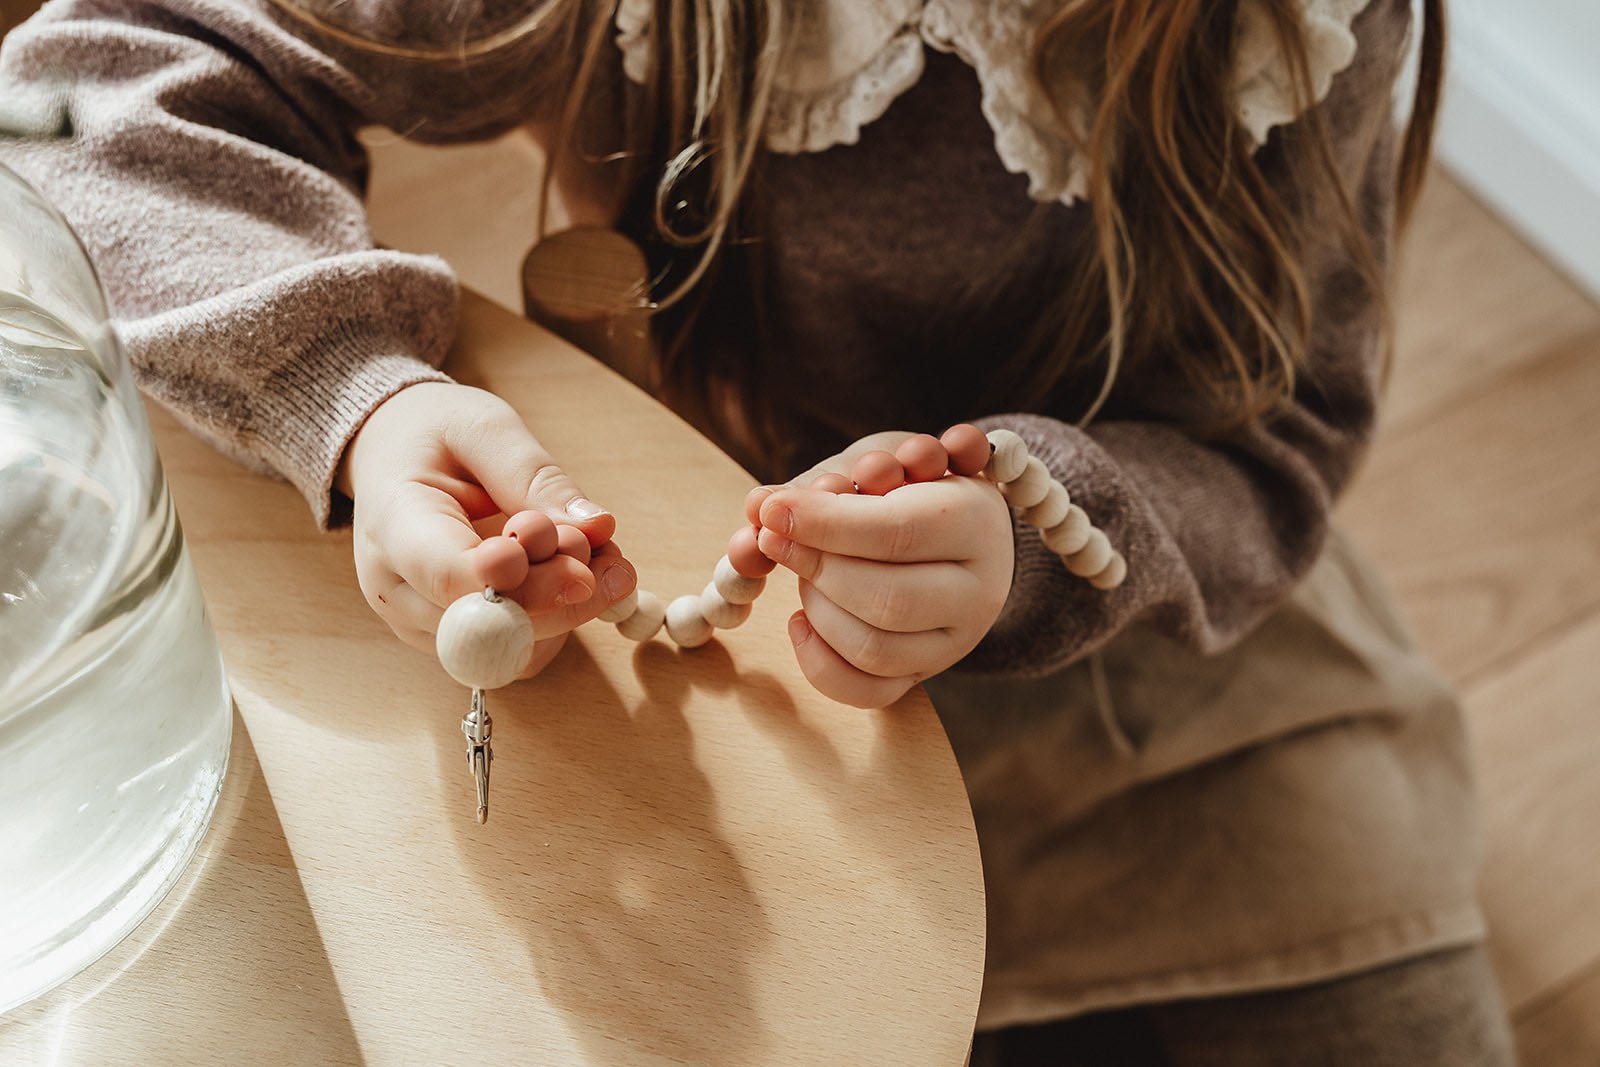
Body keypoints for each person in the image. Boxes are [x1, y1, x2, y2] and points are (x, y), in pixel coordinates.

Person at [0, 0, 1515, 1060]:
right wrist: (359, 398)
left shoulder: (1302, 27)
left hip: (1160, 628)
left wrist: (1045, 536)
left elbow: (1269, 439)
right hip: (699, 609)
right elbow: (104, 85)